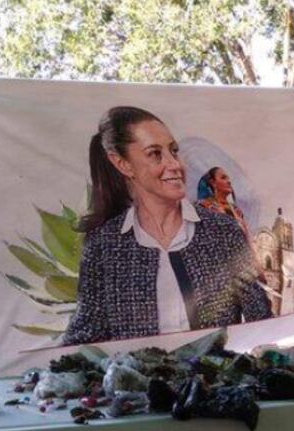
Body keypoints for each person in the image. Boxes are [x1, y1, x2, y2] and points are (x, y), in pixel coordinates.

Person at [64, 106, 272, 345]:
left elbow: (261, 319)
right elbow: (84, 337)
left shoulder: (223, 231)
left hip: (214, 379)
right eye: (155, 153)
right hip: (138, 381)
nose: (174, 164)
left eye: (174, 151)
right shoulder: (104, 245)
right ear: (122, 164)